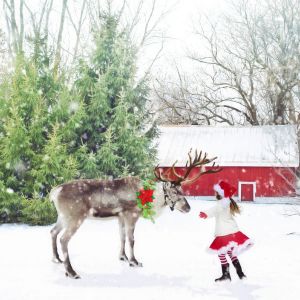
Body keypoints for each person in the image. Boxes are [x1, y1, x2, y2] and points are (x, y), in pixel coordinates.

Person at [199, 181, 253, 282]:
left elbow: (214, 210)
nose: (215, 193)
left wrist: (206, 214)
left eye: (216, 192)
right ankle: (240, 273)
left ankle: (226, 274)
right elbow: (216, 210)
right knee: (230, 253)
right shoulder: (226, 201)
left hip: (225, 232)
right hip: (231, 231)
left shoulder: (223, 202)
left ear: (220, 193)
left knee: (221, 253)